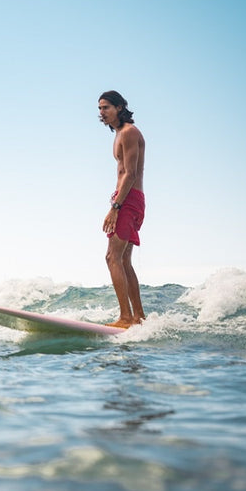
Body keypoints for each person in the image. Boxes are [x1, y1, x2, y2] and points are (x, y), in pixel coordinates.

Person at [98, 90, 147, 328]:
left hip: (127, 200)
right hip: (127, 199)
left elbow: (131, 173)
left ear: (119, 107)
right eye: (99, 109)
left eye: (106, 107)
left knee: (112, 257)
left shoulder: (129, 132)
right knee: (124, 260)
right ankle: (138, 317)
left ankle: (126, 318)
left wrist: (115, 207)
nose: (101, 112)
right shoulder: (119, 134)